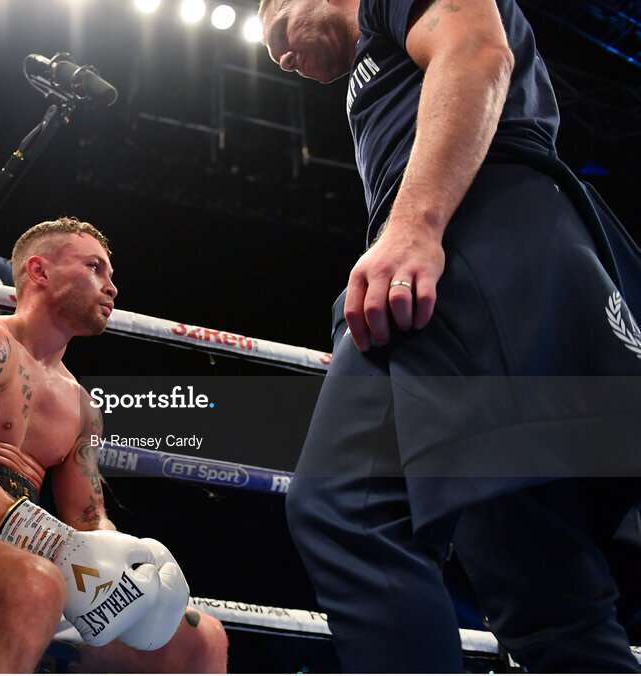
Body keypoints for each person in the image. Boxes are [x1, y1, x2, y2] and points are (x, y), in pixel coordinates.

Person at [259, 0, 641, 671]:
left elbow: (476, 51)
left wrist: (412, 228)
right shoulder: (384, 59)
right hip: (519, 260)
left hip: (473, 241)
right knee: (545, 591)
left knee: (345, 509)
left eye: (275, 30)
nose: (286, 60)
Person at [0, 217, 228, 672]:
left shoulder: (83, 408)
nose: (111, 287)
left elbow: (86, 518)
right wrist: (58, 549)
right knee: (36, 584)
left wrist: (130, 568)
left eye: (112, 276)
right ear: (39, 271)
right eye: (95, 267)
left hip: (32, 564)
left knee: (201, 638)